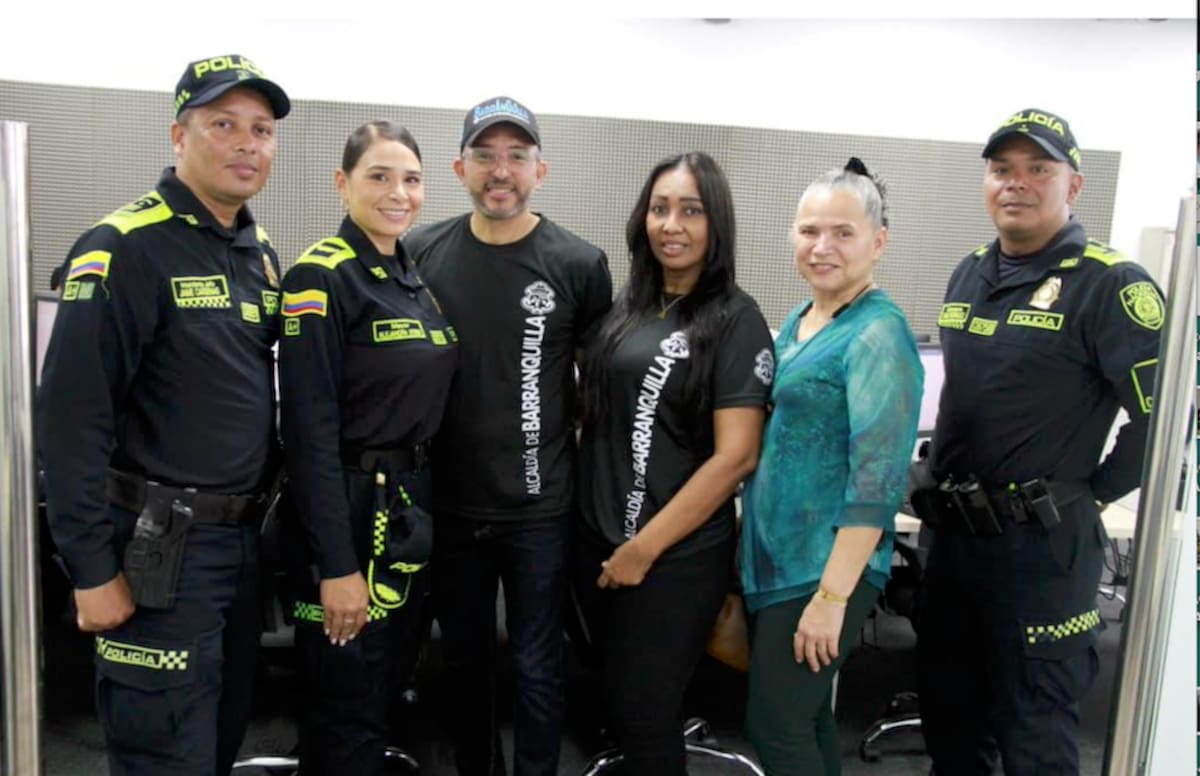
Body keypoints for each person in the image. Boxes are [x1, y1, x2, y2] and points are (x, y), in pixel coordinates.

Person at [36, 54, 289, 775]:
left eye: (261, 130)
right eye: (223, 125)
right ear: (179, 136)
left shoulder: (259, 252)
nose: (246, 144)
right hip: (158, 549)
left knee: (221, 739)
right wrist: (90, 569)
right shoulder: (123, 246)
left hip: (239, 548)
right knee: (163, 751)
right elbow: (70, 420)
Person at [914, 108, 1164, 775]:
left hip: (1041, 552)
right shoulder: (970, 271)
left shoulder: (1112, 284)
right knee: (950, 724)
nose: (1015, 183)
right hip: (954, 546)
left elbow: (1164, 421)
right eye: (1001, 169)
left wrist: (1091, 493)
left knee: (1035, 737)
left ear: (1073, 185)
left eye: (1038, 169)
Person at [404, 96, 612, 776]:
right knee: (464, 661)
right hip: (449, 504)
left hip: (539, 509)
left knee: (537, 664)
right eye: (486, 155)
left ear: (539, 170)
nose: (501, 171)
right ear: (459, 167)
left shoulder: (579, 264)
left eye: (516, 156)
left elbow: (598, 390)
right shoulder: (419, 252)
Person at [574, 151, 774, 775]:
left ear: (717, 223)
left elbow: (736, 457)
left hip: (672, 556)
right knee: (616, 704)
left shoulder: (736, 320)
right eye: (660, 208)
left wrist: (643, 549)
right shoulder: (628, 308)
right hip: (598, 541)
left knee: (647, 713)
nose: (672, 225)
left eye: (691, 210)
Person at [277, 121, 458, 775]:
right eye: (379, 176)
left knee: (381, 688)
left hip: (407, 505)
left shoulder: (410, 274)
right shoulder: (321, 277)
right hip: (349, 511)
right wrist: (337, 566)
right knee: (346, 696)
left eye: (411, 179)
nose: (398, 193)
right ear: (342, 183)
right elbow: (307, 436)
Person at [738, 158, 923, 775]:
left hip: (822, 568)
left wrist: (831, 597)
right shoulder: (804, 317)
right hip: (779, 559)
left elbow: (878, 481)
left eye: (843, 233)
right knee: (809, 718)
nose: (822, 247)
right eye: (809, 230)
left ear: (878, 241)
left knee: (776, 725)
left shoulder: (878, 335)